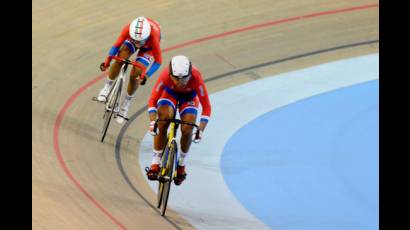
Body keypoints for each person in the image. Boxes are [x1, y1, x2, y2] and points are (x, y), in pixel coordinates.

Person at [146, 55, 211, 185]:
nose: (180, 82)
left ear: (190, 73)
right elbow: (152, 100)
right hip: (169, 94)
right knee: (163, 120)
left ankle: (181, 164)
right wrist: (153, 122)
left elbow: (207, 107)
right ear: (170, 74)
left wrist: (201, 130)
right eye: (176, 79)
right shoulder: (165, 75)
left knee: (188, 128)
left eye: (185, 78)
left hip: (189, 97)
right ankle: (156, 160)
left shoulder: (196, 77)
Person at [97, 16, 162, 124]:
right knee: (120, 57)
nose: (137, 43)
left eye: (139, 41)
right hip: (132, 39)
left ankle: (126, 103)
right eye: (135, 40)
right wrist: (107, 62)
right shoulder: (128, 29)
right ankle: (106, 87)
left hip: (148, 47)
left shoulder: (154, 37)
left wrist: (146, 75)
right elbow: (116, 46)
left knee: (136, 73)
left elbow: (158, 61)